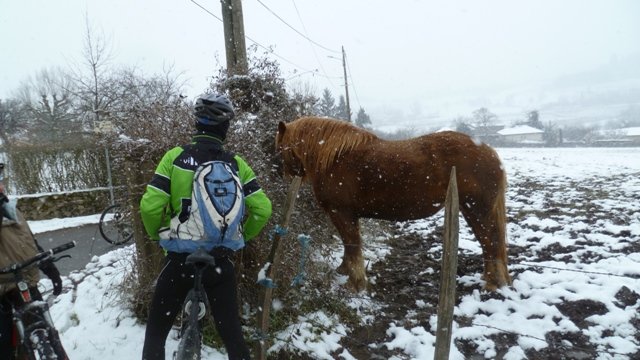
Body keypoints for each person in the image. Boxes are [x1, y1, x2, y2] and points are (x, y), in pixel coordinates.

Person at [140, 93, 273, 360]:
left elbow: (150, 207)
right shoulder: (237, 164)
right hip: (219, 263)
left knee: (155, 335)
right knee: (234, 339)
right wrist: (240, 237)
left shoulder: (175, 158)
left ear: (196, 124)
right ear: (225, 128)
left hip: (180, 261)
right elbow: (263, 209)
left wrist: (161, 235)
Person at [0, 162, 66, 359]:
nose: (1, 185)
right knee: (5, 349)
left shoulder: (9, 209)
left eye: (0, 179)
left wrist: (49, 268)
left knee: (50, 337)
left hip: (25, 284)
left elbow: (29, 243)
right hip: (2, 291)